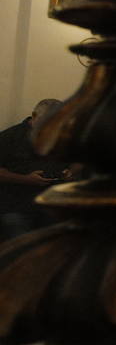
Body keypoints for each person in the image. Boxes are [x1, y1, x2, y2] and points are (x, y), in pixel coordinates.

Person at [0, 98, 65, 241]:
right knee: (22, 242)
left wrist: (69, 171)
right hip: (16, 205)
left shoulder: (60, 137)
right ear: (34, 116)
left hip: (50, 203)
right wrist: (25, 179)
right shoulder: (9, 137)